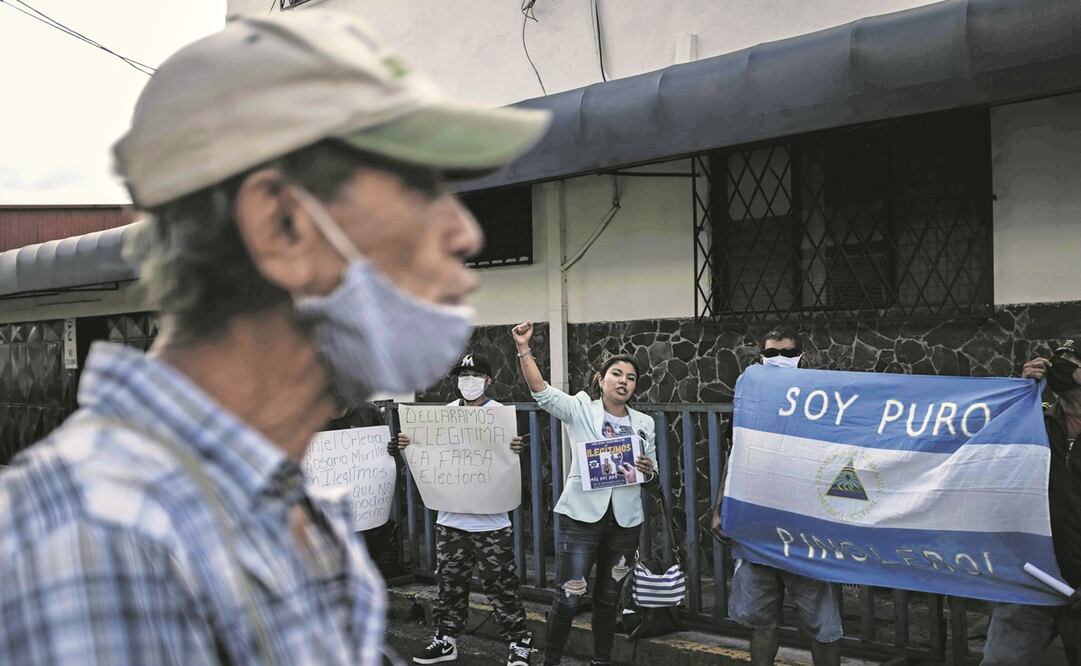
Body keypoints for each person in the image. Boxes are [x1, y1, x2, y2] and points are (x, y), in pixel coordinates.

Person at [0, 11, 548, 665]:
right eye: (416, 190)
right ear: (281, 224)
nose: (462, 233)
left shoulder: (304, 521)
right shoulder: (90, 547)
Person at [511, 320, 658, 666]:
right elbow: (541, 391)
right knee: (569, 596)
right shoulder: (580, 409)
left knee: (609, 599)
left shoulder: (643, 423)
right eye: (617, 374)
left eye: (631, 377)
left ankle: (601, 660)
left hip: (625, 522)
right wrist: (523, 348)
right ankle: (552, 659)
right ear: (600, 378)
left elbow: (650, 474)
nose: (623, 381)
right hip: (581, 519)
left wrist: (650, 471)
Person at [711, 328, 843, 666]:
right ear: (760, 358)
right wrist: (719, 508)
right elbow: (734, 455)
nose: (779, 360)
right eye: (771, 354)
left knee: (823, 625)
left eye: (787, 352)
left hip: (805, 532)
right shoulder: (749, 402)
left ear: (801, 356)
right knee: (761, 622)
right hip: (758, 529)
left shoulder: (821, 402)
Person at [391, 353, 533, 666]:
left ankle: (518, 641)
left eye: (475, 375)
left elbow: (509, 457)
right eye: (462, 376)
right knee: (449, 584)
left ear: (488, 380)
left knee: (502, 586)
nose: (467, 382)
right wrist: (407, 443)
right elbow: (429, 453)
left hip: (491, 521)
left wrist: (516, 449)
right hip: (451, 518)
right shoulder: (446, 414)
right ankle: (446, 640)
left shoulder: (499, 416)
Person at [981, 337, 1081, 665]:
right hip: (1034, 580)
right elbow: (991, 453)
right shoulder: (1035, 421)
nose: (1060, 367)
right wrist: (1020, 395)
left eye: (1071, 361)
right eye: (1058, 359)